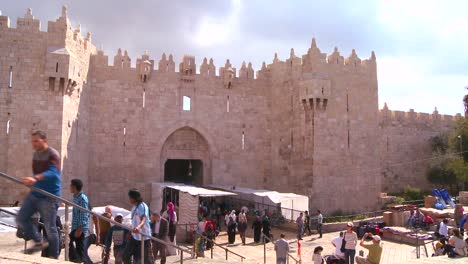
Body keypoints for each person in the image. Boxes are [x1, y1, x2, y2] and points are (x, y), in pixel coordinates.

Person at [17, 131, 61, 258]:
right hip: (36, 194)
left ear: (44, 140)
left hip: (49, 196)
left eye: (36, 141)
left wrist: (35, 179)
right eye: (32, 141)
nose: (33, 144)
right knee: (21, 218)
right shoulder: (36, 155)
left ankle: (54, 257)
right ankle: (39, 241)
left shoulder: (53, 154)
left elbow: (53, 173)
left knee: (50, 228)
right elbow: (37, 174)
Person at [123, 189, 152, 264]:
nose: (129, 199)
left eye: (130, 197)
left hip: (144, 238)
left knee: (146, 260)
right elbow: (134, 222)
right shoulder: (134, 207)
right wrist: (130, 232)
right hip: (135, 237)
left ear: (134, 197)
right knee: (125, 256)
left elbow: (144, 219)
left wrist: (138, 227)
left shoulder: (142, 206)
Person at [69, 179, 90, 263]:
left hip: (79, 228)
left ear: (74, 187)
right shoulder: (76, 197)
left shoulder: (82, 199)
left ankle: (78, 261)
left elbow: (84, 214)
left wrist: (80, 229)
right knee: (70, 244)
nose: (69, 187)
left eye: (71, 185)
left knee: (79, 251)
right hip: (75, 227)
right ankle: (75, 260)